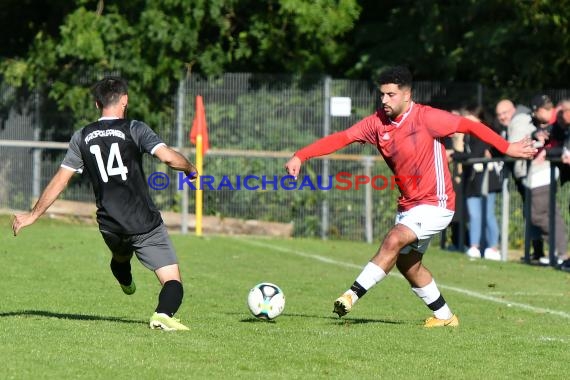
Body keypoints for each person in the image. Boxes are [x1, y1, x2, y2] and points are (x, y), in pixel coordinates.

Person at [284, 66, 536, 327]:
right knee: (409, 265)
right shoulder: (377, 123)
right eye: (382, 94)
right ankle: (446, 318)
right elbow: (343, 137)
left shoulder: (427, 118)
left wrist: (507, 147)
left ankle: (350, 295)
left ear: (407, 95)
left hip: (437, 204)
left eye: (390, 94)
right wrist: (302, 154)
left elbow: (469, 126)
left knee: (394, 238)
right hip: (409, 206)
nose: (384, 100)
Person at [12, 76, 197, 331]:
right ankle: (162, 315)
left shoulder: (82, 136)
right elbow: (169, 159)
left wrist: (32, 215)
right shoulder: (135, 128)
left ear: (97, 104)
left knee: (121, 257)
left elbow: (60, 180)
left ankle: (125, 278)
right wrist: (190, 168)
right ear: (125, 100)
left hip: (109, 225)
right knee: (171, 280)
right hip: (143, 223)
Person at [506, 95, 569, 268]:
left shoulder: (557, 120)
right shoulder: (540, 123)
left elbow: (560, 143)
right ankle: (559, 253)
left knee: (538, 215)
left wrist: (546, 152)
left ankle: (559, 251)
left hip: (544, 173)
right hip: (540, 173)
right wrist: (536, 135)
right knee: (547, 213)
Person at [495, 99, 545, 262]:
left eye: (505, 113)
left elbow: (511, 148)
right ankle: (538, 252)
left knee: (536, 213)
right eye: (499, 115)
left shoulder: (519, 121)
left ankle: (547, 252)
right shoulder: (513, 123)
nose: (502, 117)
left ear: (513, 110)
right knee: (530, 213)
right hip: (524, 172)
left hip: (530, 172)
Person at [453, 106, 502, 260]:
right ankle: (474, 246)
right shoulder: (467, 135)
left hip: (487, 178)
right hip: (472, 180)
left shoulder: (484, 131)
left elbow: (474, 155)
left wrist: (456, 155)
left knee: (488, 214)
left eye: (469, 117)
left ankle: (493, 247)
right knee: (474, 214)